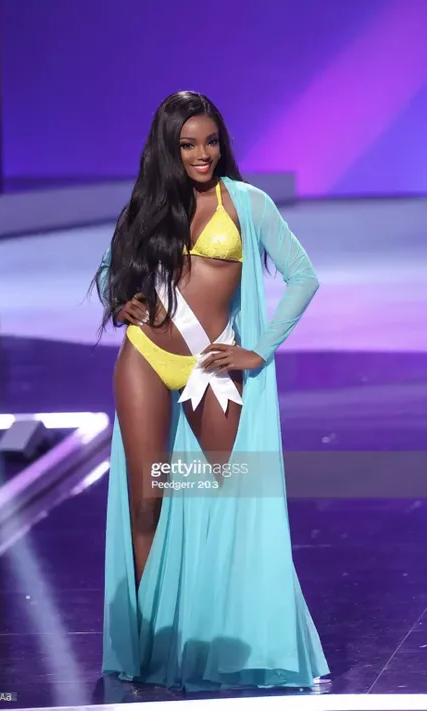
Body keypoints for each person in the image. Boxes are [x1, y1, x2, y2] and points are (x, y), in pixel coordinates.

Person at [94, 90, 329, 691]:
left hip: (211, 366)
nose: (203, 154)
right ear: (168, 151)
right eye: (188, 145)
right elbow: (116, 274)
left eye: (211, 141)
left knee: (226, 498)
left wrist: (262, 348)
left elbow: (303, 276)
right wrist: (127, 301)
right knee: (146, 498)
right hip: (147, 355)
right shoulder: (149, 206)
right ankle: (149, 642)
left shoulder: (247, 204)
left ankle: (226, 634)